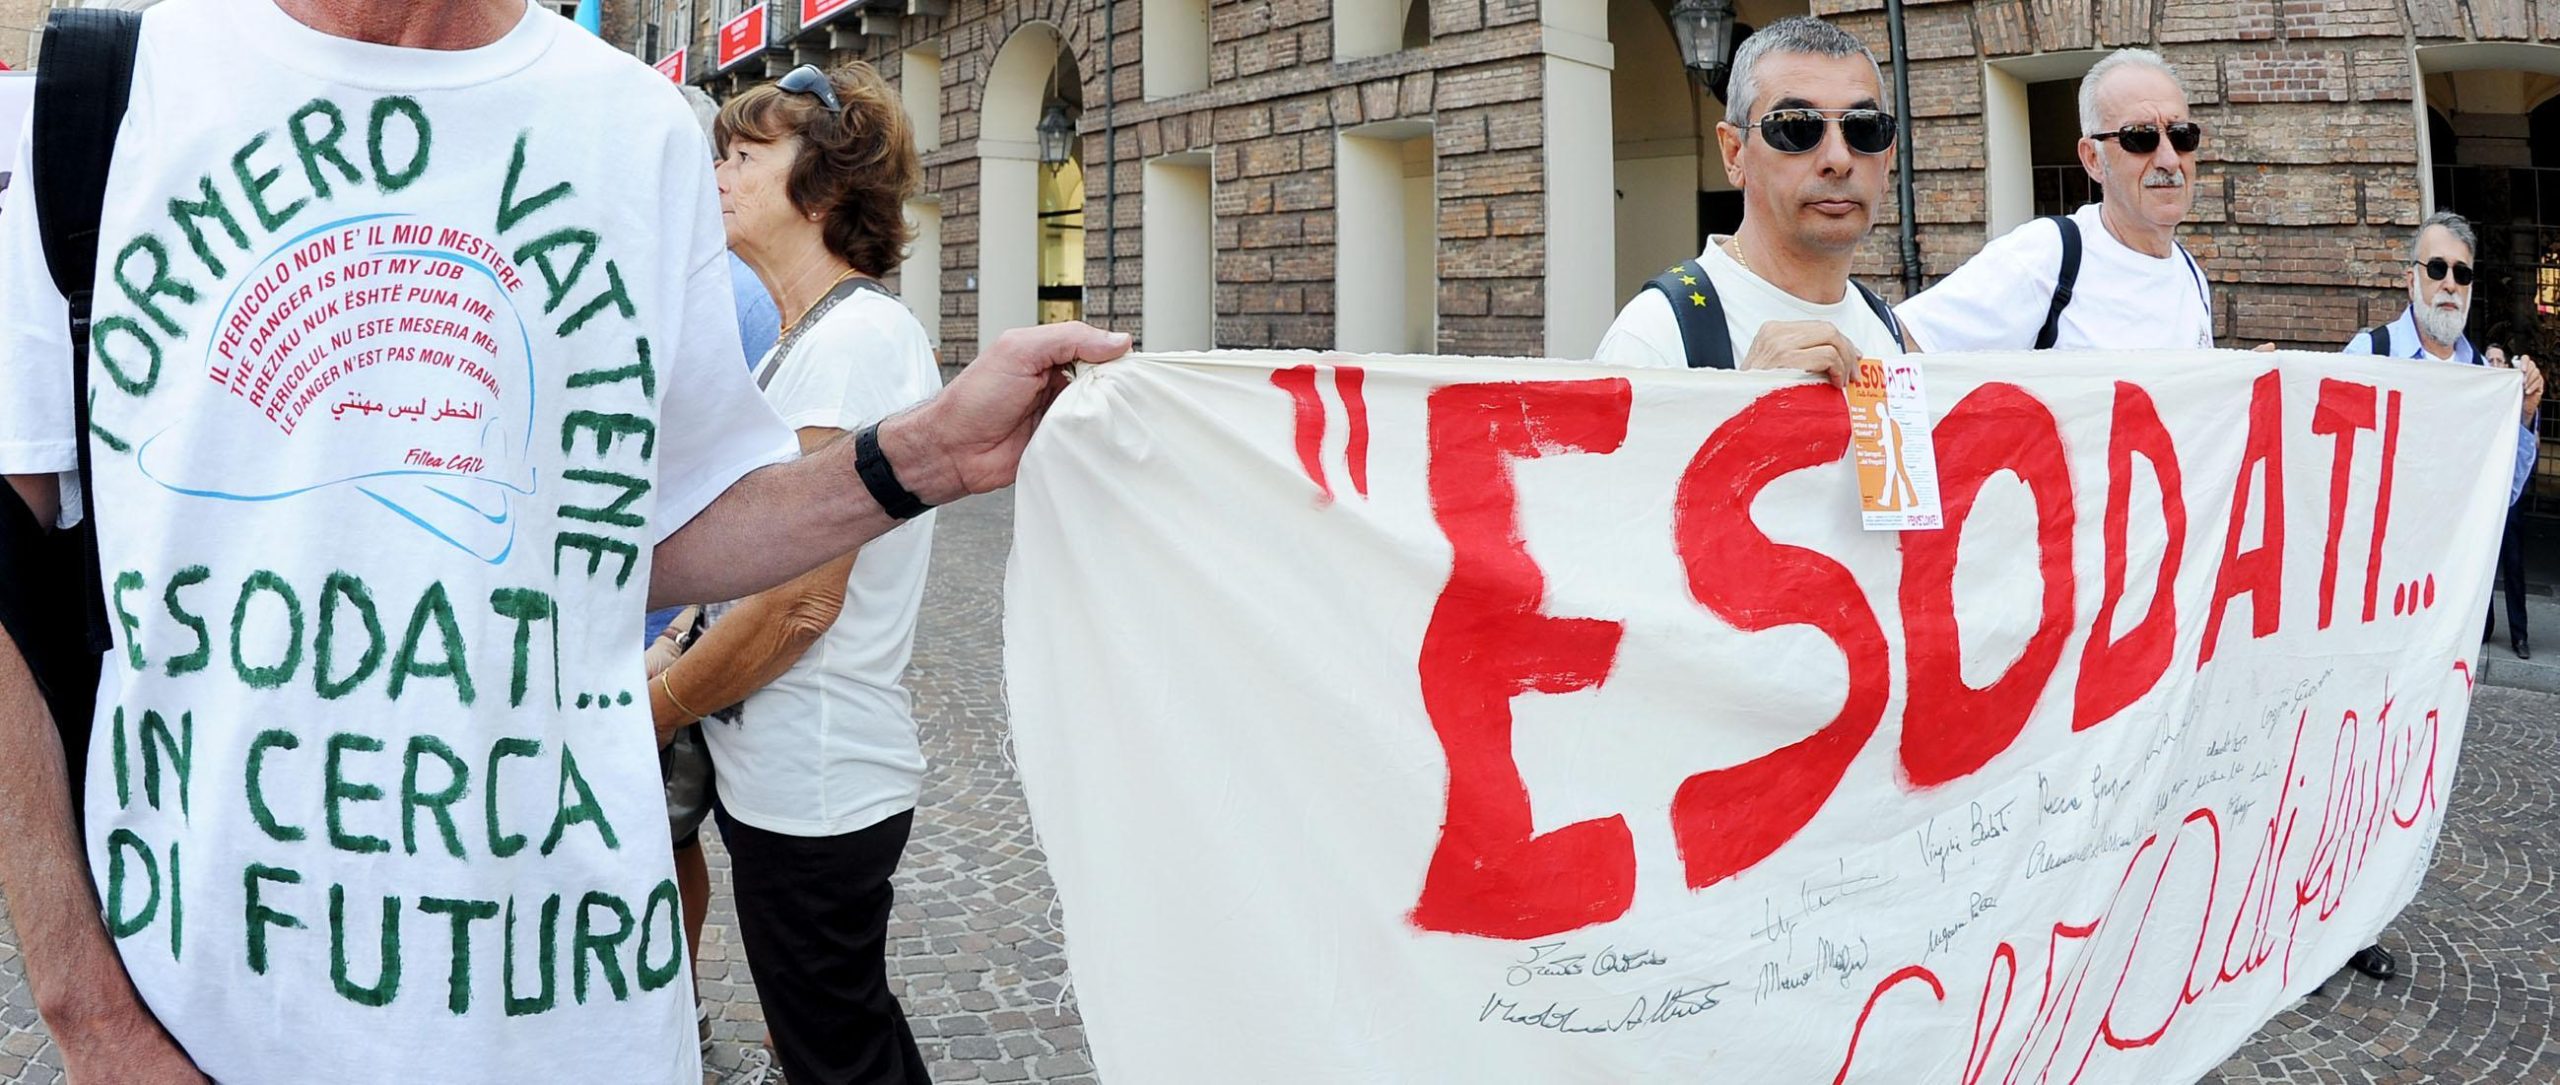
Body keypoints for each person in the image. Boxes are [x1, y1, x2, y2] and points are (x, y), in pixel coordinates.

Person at [0, 1, 1127, 1081]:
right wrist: (85, 1008)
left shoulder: (637, 126)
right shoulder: (107, 89)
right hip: (212, 1006)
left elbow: (658, 530)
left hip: (568, 1004)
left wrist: (927, 455)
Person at [643, 62, 943, 1085]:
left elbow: (799, 596)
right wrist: (670, 657)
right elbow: (739, 564)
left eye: (743, 154)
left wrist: (659, 706)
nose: (717, 171)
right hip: (782, 766)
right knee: (829, 1028)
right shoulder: (803, 339)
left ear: (819, 187)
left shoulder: (854, 341)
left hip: (820, 772)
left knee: (837, 1052)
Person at [2334, 209, 2540, 982]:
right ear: (2409, 276)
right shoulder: (2372, 352)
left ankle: (2360, 923)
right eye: (2436, 268)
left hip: (2433, 617)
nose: (2449, 285)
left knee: (2397, 776)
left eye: (2461, 272)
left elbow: (2507, 495)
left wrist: (2520, 415)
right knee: (2342, 769)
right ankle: (2313, 923)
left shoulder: (2480, 381)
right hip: (2362, 608)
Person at [1591, 15, 1905, 379]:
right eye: (1796, 127)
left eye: (1864, 127)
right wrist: (1745, 404)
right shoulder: (1656, 336)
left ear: (1887, 161)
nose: (1838, 158)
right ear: (1733, 153)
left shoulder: (1889, 332)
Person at [1895, 49, 2214, 353]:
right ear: (2092, 159)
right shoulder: (2045, 256)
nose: (2170, 160)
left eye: (2181, 135)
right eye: (2140, 137)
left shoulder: (2189, 272)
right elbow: (1902, 341)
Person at [2481, 334, 2540, 660]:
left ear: (2508, 366)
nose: (2493, 365)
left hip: (2511, 499)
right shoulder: (2479, 400)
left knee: (2513, 567)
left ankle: (2520, 635)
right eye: (2488, 360)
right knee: (2481, 566)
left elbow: (2529, 447)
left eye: (2498, 361)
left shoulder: (2522, 400)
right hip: (2482, 497)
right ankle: (2484, 627)